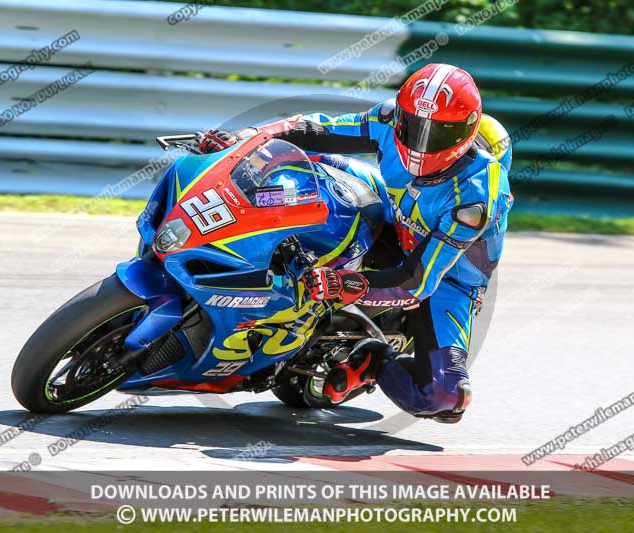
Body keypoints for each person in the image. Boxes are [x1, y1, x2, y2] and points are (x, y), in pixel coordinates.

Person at [197, 63, 513, 424]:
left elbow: (418, 281)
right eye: (413, 126)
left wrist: (347, 285)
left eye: (438, 134)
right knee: (302, 161)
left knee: (442, 397)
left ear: (467, 137)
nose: (421, 143)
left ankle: (370, 358)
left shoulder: (476, 197)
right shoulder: (390, 120)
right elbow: (317, 130)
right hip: (395, 220)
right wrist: (250, 138)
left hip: (445, 279)